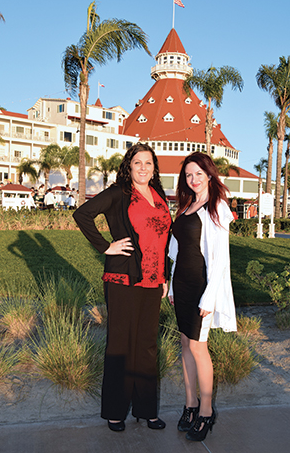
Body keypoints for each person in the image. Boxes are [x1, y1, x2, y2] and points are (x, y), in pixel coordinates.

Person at [73, 143, 171, 432]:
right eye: (137, 163)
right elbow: (83, 214)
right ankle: (115, 412)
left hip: (153, 282)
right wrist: (106, 246)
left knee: (147, 346)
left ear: (154, 169)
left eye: (148, 163)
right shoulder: (119, 193)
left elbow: (161, 240)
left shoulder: (158, 196)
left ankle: (146, 410)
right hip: (124, 280)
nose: (143, 168)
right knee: (120, 345)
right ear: (129, 166)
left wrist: (164, 276)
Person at [168, 152, 237, 442]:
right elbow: (176, 250)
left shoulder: (217, 206)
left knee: (199, 349)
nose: (193, 179)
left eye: (198, 173)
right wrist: (171, 287)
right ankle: (191, 405)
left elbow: (219, 258)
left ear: (209, 174)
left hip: (201, 286)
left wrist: (209, 297)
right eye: (188, 175)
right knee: (185, 344)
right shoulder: (186, 205)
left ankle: (207, 412)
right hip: (181, 285)